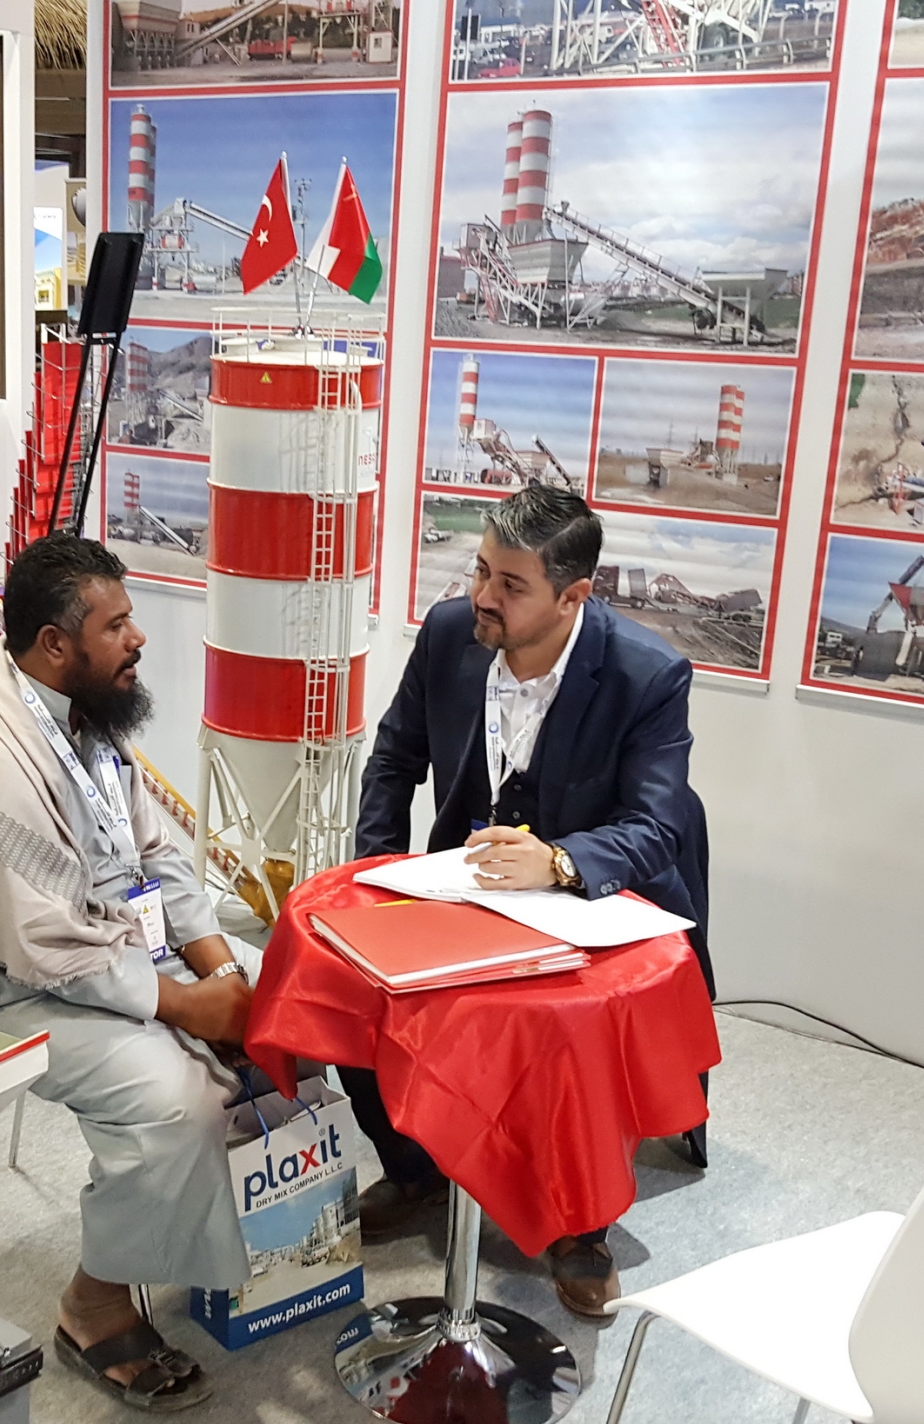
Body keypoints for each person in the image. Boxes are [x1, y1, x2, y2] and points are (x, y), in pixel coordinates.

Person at [0, 532, 253, 1413]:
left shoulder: (81, 711)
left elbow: (154, 855)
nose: (138, 639)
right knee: (182, 1100)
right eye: (116, 625)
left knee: (271, 1025)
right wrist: (191, 1009)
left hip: (103, 950)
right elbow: (47, 950)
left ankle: (195, 1234)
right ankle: (92, 1306)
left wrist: (224, 974)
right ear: (55, 644)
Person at [344, 485, 710, 1319]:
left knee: (569, 1042)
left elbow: (658, 827)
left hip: (593, 902)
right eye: (481, 571)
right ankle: (417, 1170)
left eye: (510, 585)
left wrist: (559, 861)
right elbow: (394, 759)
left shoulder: (647, 675)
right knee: (362, 989)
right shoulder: (449, 635)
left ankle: (580, 1229)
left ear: (572, 596)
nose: (482, 595)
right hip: (462, 886)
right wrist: (377, 870)